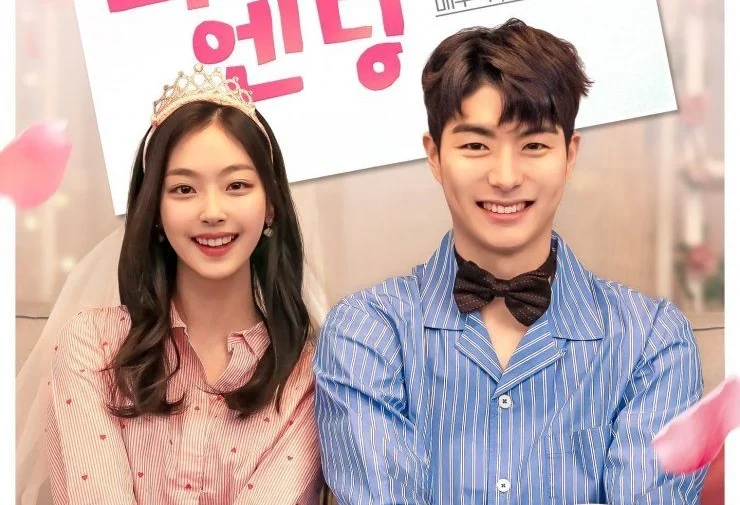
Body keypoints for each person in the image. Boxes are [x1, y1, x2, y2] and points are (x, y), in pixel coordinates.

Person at [313, 19, 707, 505]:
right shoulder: (368, 333)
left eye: (534, 145)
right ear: (434, 156)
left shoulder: (651, 341)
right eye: (476, 145)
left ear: (570, 155)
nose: (505, 176)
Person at [42, 64, 325, 505]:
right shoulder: (93, 348)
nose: (212, 211)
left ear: (270, 204)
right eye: (184, 189)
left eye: (236, 185)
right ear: (154, 210)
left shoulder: (306, 376)